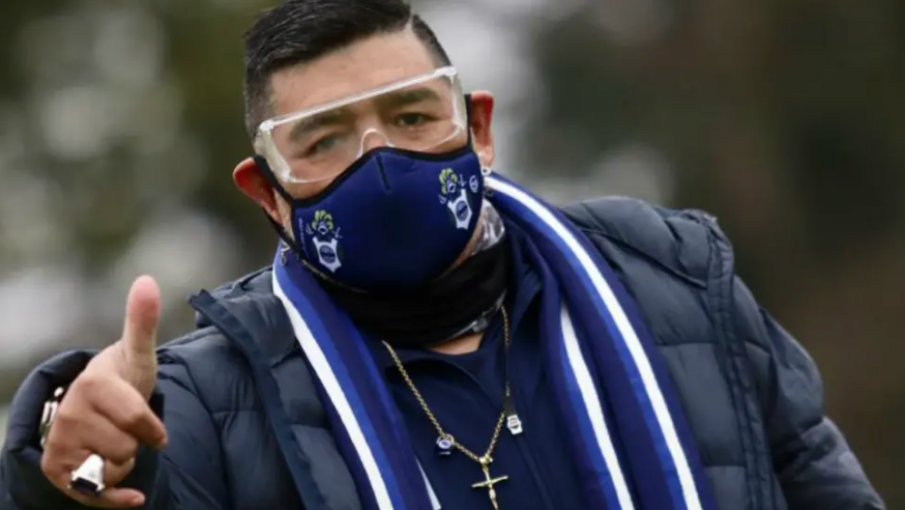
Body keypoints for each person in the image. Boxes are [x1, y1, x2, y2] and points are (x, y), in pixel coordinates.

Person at [0, 0, 886, 509]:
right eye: (324, 141)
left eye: (412, 116)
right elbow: (90, 488)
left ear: (478, 129)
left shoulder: (671, 273)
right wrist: (64, 473)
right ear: (267, 193)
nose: (381, 164)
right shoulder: (202, 402)